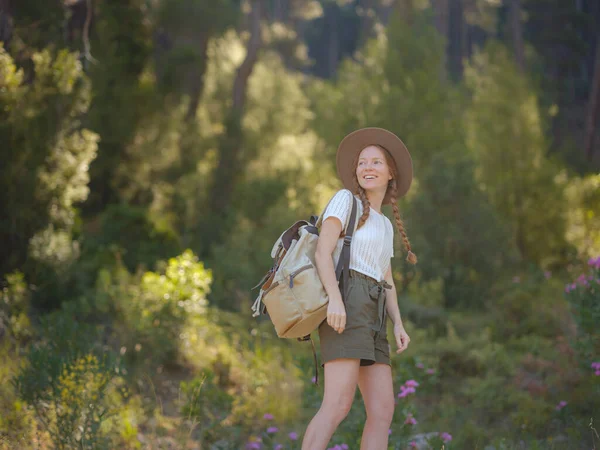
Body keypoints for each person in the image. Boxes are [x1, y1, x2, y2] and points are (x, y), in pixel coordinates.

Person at [301, 128, 418, 450]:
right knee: (337, 405)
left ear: (390, 171)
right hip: (347, 299)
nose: (368, 167)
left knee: (382, 412)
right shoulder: (345, 200)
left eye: (376, 162)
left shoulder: (384, 223)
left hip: (375, 310)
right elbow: (322, 253)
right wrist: (336, 301)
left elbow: (386, 276)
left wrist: (398, 323)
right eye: (362, 162)